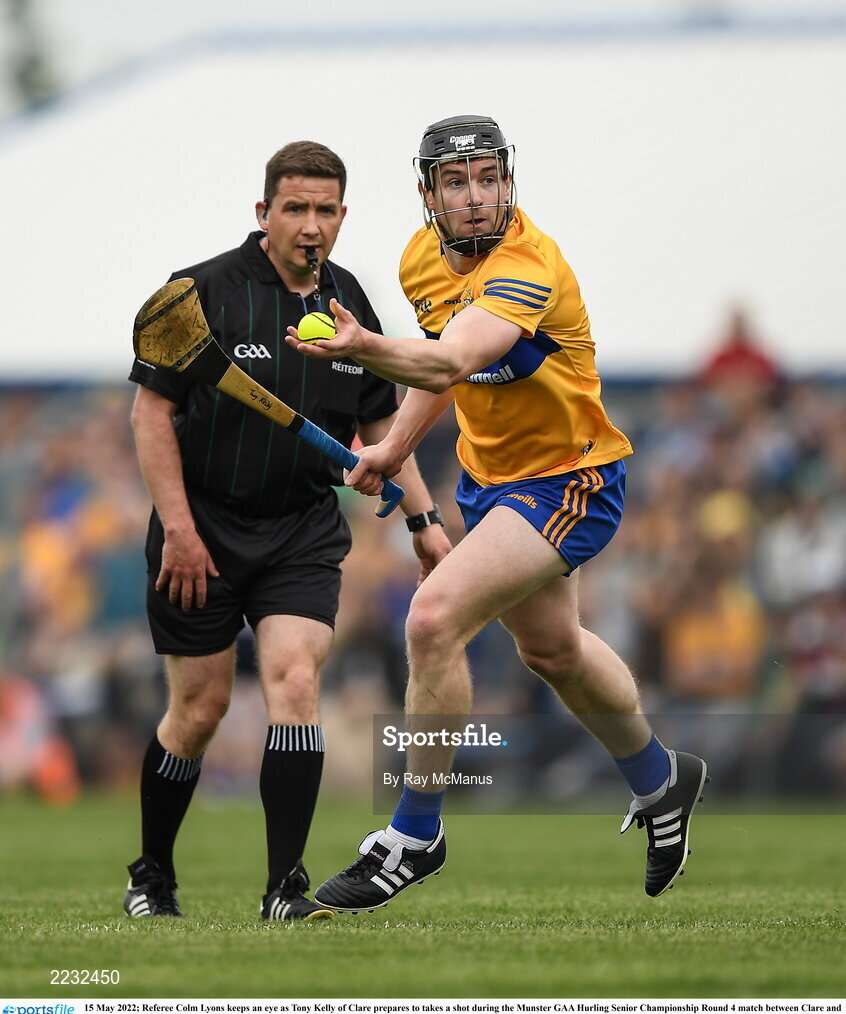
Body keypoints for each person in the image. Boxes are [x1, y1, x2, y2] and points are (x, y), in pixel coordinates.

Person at [286, 115, 709, 910]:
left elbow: (454, 356)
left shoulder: (529, 264)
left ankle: (414, 837)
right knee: (553, 651)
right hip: (491, 483)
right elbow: (438, 382)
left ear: (507, 181)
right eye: (456, 182)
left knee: (432, 618)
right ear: (429, 194)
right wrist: (391, 449)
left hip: (569, 479)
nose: (475, 197)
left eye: (487, 177)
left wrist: (360, 347)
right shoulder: (422, 259)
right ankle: (663, 780)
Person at [125, 141, 451, 921]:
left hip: (301, 530)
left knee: (296, 683)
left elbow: (383, 427)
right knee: (198, 713)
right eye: (295, 208)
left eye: (325, 210)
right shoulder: (199, 292)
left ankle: (283, 890)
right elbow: (150, 413)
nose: (311, 226)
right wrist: (178, 528)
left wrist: (424, 519)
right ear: (263, 211)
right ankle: (152, 877)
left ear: (343, 216)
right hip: (197, 526)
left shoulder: (348, 306)